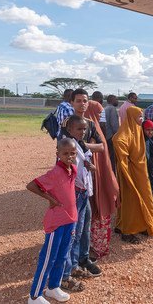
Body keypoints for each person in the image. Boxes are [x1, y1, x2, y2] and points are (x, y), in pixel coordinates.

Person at [26, 138, 78, 304]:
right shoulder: (55, 173)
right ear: (58, 154)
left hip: (70, 219)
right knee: (48, 258)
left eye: (72, 153)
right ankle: (34, 295)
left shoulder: (73, 170)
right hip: (56, 222)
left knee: (62, 256)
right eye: (65, 153)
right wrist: (50, 198)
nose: (69, 156)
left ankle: (53, 287)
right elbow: (32, 185)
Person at [59, 116, 97, 292]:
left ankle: (74, 266)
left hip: (83, 193)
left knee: (81, 230)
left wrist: (88, 165)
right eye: (78, 129)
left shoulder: (80, 145)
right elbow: (65, 170)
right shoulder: (68, 147)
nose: (82, 132)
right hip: (74, 193)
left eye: (84, 129)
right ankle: (65, 275)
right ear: (70, 130)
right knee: (72, 233)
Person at [113, 106, 153, 243]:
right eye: (139, 117)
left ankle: (139, 225)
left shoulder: (137, 129)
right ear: (131, 117)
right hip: (130, 173)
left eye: (141, 116)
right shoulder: (124, 134)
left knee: (144, 198)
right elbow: (119, 143)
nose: (141, 119)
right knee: (131, 201)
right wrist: (128, 173)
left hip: (141, 172)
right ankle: (127, 231)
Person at [84, 100, 119, 259]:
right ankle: (91, 249)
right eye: (98, 113)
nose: (100, 116)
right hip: (92, 179)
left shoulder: (95, 128)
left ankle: (96, 248)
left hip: (99, 177)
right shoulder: (86, 129)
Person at [104, 94, 120, 172]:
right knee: (112, 158)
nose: (117, 101)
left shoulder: (105, 108)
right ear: (111, 100)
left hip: (106, 136)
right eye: (116, 99)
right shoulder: (112, 109)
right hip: (111, 137)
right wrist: (118, 136)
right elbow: (114, 125)